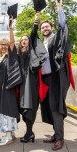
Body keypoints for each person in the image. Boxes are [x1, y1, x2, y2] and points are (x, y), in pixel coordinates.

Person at [39, 0, 74, 151]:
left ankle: (59, 139)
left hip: (57, 79)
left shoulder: (56, 39)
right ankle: (55, 133)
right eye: (42, 28)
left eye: (47, 26)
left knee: (56, 108)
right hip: (46, 79)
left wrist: (59, 8)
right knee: (48, 107)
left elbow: (63, 26)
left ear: (51, 27)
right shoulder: (43, 43)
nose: (45, 29)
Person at [18, 12, 48, 144]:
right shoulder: (19, 54)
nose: (24, 40)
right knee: (23, 109)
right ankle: (29, 132)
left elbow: (34, 34)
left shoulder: (32, 52)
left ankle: (29, 133)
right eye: (22, 39)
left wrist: (36, 21)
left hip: (31, 84)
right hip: (21, 85)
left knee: (30, 108)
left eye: (27, 39)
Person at [0, 18, 21, 146]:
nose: (4, 46)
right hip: (0, 88)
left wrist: (10, 28)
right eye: (1, 45)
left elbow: (13, 42)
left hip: (8, 87)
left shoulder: (11, 56)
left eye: (6, 44)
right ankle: (12, 134)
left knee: (7, 110)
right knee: (4, 109)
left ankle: (8, 136)